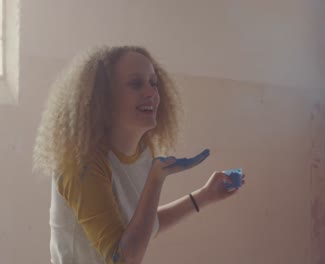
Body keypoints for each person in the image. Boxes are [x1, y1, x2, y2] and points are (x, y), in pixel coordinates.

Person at [33, 45, 245, 264]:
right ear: (103, 98)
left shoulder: (142, 152)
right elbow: (124, 258)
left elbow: (144, 225)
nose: (151, 92)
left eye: (154, 83)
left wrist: (206, 195)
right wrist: (156, 179)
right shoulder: (81, 165)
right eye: (136, 84)